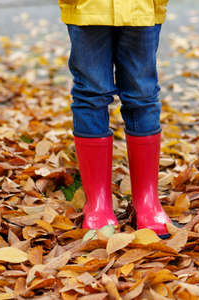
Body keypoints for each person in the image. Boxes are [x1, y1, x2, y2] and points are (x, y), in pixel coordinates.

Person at [58, 0, 171, 238]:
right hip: (87, 8)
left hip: (142, 8)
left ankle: (147, 201)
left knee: (143, 94)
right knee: (91, 93)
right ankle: (97, 204)